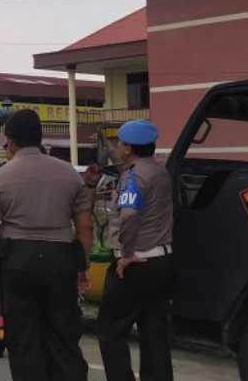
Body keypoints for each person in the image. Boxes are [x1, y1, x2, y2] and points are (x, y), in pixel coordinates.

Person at [0, 109, 93, 381]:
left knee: (24, 342)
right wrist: (81, 266)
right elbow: (86, 227)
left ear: (11, 140)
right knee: (64, 338)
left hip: (17, 263)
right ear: (40, 137)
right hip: (60, 261)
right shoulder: (70, 174)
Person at [97, 120, 174, 381]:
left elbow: (129, 215)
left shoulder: (134, 177)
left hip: (136, 264)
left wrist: (126, 254)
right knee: (154, 332)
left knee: (110, 330)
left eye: (120, 143)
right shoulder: (160, 172)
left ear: (129, 148)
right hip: (161, 261)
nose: (117, 146)